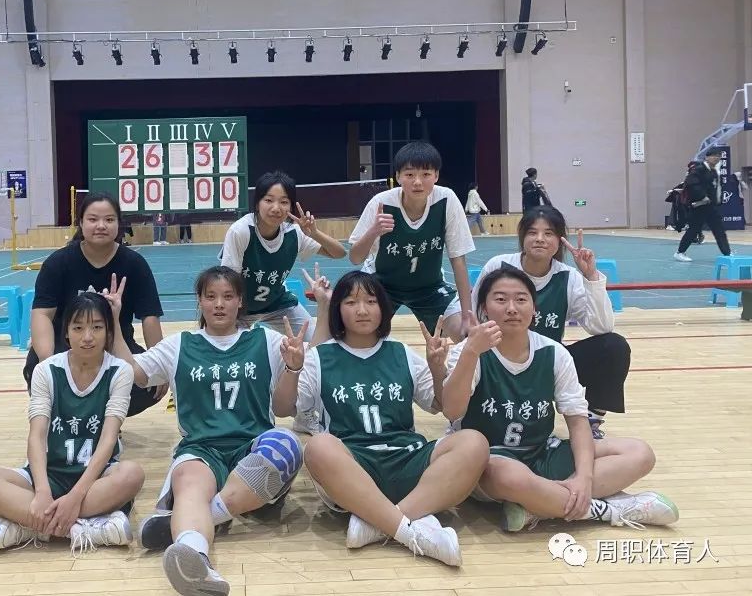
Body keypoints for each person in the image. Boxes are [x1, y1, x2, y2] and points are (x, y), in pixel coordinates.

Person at [108, 266, 305, 596]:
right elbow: (135, 373)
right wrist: (114, 321)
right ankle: (194, 559)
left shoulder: (267, 341)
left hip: (253, 450)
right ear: (199, 301)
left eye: (228, 296)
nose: (219, 304)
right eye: (210, 296)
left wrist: (293, 367)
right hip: (201, 449)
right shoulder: (180, 345)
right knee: (189, 480)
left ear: (240, 301)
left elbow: (284, 408)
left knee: (287, 441)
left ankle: (189, 520)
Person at [272, 270, 488, 566]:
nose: (362, 310)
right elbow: (283, 408)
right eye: (351, 302)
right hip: (354, 467)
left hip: (408, 458)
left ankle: (378, 525)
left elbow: (441, 405)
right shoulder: (320, 357)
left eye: (371, 301)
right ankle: (411, 529)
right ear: (337, 310)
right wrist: (293, 368)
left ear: (383, 308)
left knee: (474, 442)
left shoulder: (401, 352)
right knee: (319, 446)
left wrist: (438, 368)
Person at [442, 267, 679, 533]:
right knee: (507, 476)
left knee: (640, 453)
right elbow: (452, 411)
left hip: (541, 452)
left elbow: (578, 422)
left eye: (521, 299)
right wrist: (471, 353)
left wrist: (583, 477)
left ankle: (538, 506)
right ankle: (605, 510)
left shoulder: (553, 352)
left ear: (534, 309)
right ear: (484, 308)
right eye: (500, 299)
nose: (511, 308)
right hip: (489, 462)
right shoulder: (467, 351)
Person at [0, 293, 143, 555]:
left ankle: (33, 527)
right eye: (78, 328)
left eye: (97, 327)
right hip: (48, 473)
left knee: (132, 474)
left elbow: (109, 439)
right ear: (66, 332)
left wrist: (76, 496)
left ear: (109, 332)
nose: (87, 336)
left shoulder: (120, 371)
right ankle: (85, 527)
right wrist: (41, 492)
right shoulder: (46, 370)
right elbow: (37, 436)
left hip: (95, 477)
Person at [442, 206, 630, 439]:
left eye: (548, 233)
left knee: (613, 346)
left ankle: (590, 419)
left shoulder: (568, 277)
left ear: (560, 240)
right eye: (532, 232)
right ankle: (470, 414)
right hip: (498, 365)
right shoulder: (499, 266)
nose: (540, 239)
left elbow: (601, 327)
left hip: (544, 366)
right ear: (522, 237)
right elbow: (474, 315)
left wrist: (591, 277)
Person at [25, 191, 167, 417]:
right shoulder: (58, 263)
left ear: (119, 224)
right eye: (93, 219)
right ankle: (72, 417)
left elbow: (150, 317)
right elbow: (42, 314)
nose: (101, 226)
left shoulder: (134, 264)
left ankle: (105, 418)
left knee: (148, 384)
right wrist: (48, 364)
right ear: (81, 223)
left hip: (116, 346)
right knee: (37, 371)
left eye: (109, 219)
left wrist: (159, 365)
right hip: (67, 346)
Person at [348, 141, 476, 334]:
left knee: (465, 333)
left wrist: (467, 317)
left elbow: (458, 261)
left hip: (429, 286)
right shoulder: (381, 203)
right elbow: (355, 257)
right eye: (409, 175)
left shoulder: (446, 199)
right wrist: (373, 231)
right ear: (398, 176)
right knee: (358, 335)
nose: (417, 182)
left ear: (436, 176)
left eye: (425, 174)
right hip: (381, 284)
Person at [221, 170, 346, 337]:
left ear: (291, 207)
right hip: (241, 309)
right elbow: (228, 281)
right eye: (268, 200)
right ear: (257, 204)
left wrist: (314, 233)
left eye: (284, 202)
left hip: (278, 303)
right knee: (227, 346)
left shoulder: (294, 233)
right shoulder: (241, 231)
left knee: (316, 339)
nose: (276, 208)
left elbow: (339, 253)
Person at [674, 147, 732, 261]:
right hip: (699, 206)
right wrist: (702, 196)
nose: (716, 158)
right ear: (707, 157)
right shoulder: (698, 169)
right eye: (714, 156)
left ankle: (727, 253)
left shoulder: (714, 172)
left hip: (711, 206)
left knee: (719, 230)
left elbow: (716, 188)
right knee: (693, 230)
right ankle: (680, 252)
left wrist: (717, 201)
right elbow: (692, 184)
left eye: (719, 156)